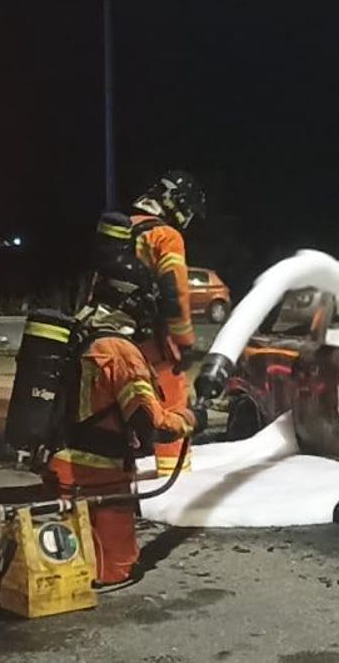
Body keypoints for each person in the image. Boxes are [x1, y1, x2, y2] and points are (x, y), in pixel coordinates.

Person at [47, 254, 195, 587]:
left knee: (69, 561)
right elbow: (150, 422)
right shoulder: (120, 351)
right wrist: (189, 420)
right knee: (115, 570)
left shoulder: (83, 336)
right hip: (100, 477)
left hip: (65, 466)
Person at [128, 170, 206, 476]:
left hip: (109, 336)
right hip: (150, 339)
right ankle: (174, 476)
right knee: (174, 401)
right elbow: (175, 294)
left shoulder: (122, 230)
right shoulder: (165, 236)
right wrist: (184, 343)